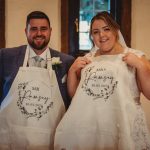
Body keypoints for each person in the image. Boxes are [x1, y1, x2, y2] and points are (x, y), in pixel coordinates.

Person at [54, 11, 150, 150]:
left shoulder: (136, 56)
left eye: (106, 29)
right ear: (92, 36)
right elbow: (77, 96)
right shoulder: (89, 59)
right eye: (96, 32)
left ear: (116, 30)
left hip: (124, 123)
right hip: (93, 125)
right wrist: (72, 71)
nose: (102, 35)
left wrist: (140, 65)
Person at [0, 11, 74, 149]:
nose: (39, 33)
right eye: (33, 29)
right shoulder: (5, 56)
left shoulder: (67, 61)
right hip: (12, 136)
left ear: (50, 31)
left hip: (50, 136)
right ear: (25, 31)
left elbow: (71, 101)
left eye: (43, 29)